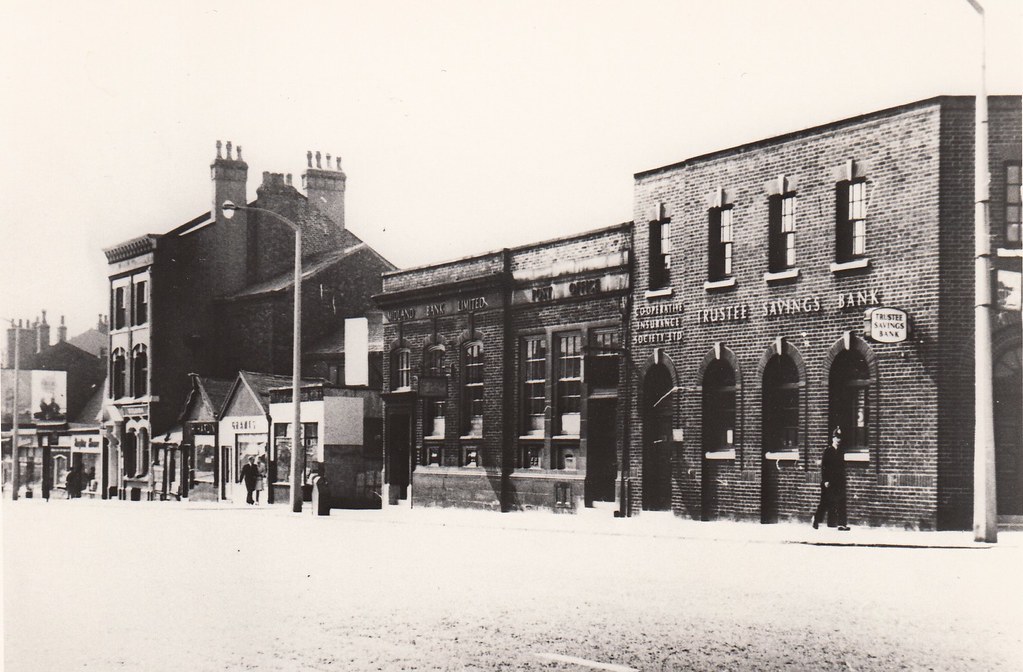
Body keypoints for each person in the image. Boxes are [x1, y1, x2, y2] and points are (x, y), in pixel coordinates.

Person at [813, 428, 849, 530]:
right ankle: (816, 520)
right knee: (824, 502)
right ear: (833, 439)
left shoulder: (841, 452)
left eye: (840, 438)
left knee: (841, 501)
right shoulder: (828, 451)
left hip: (839, 481)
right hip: (829, 482)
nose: (838, 440)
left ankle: (842, 524)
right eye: (836, 437)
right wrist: (825, 481)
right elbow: (824, 467)